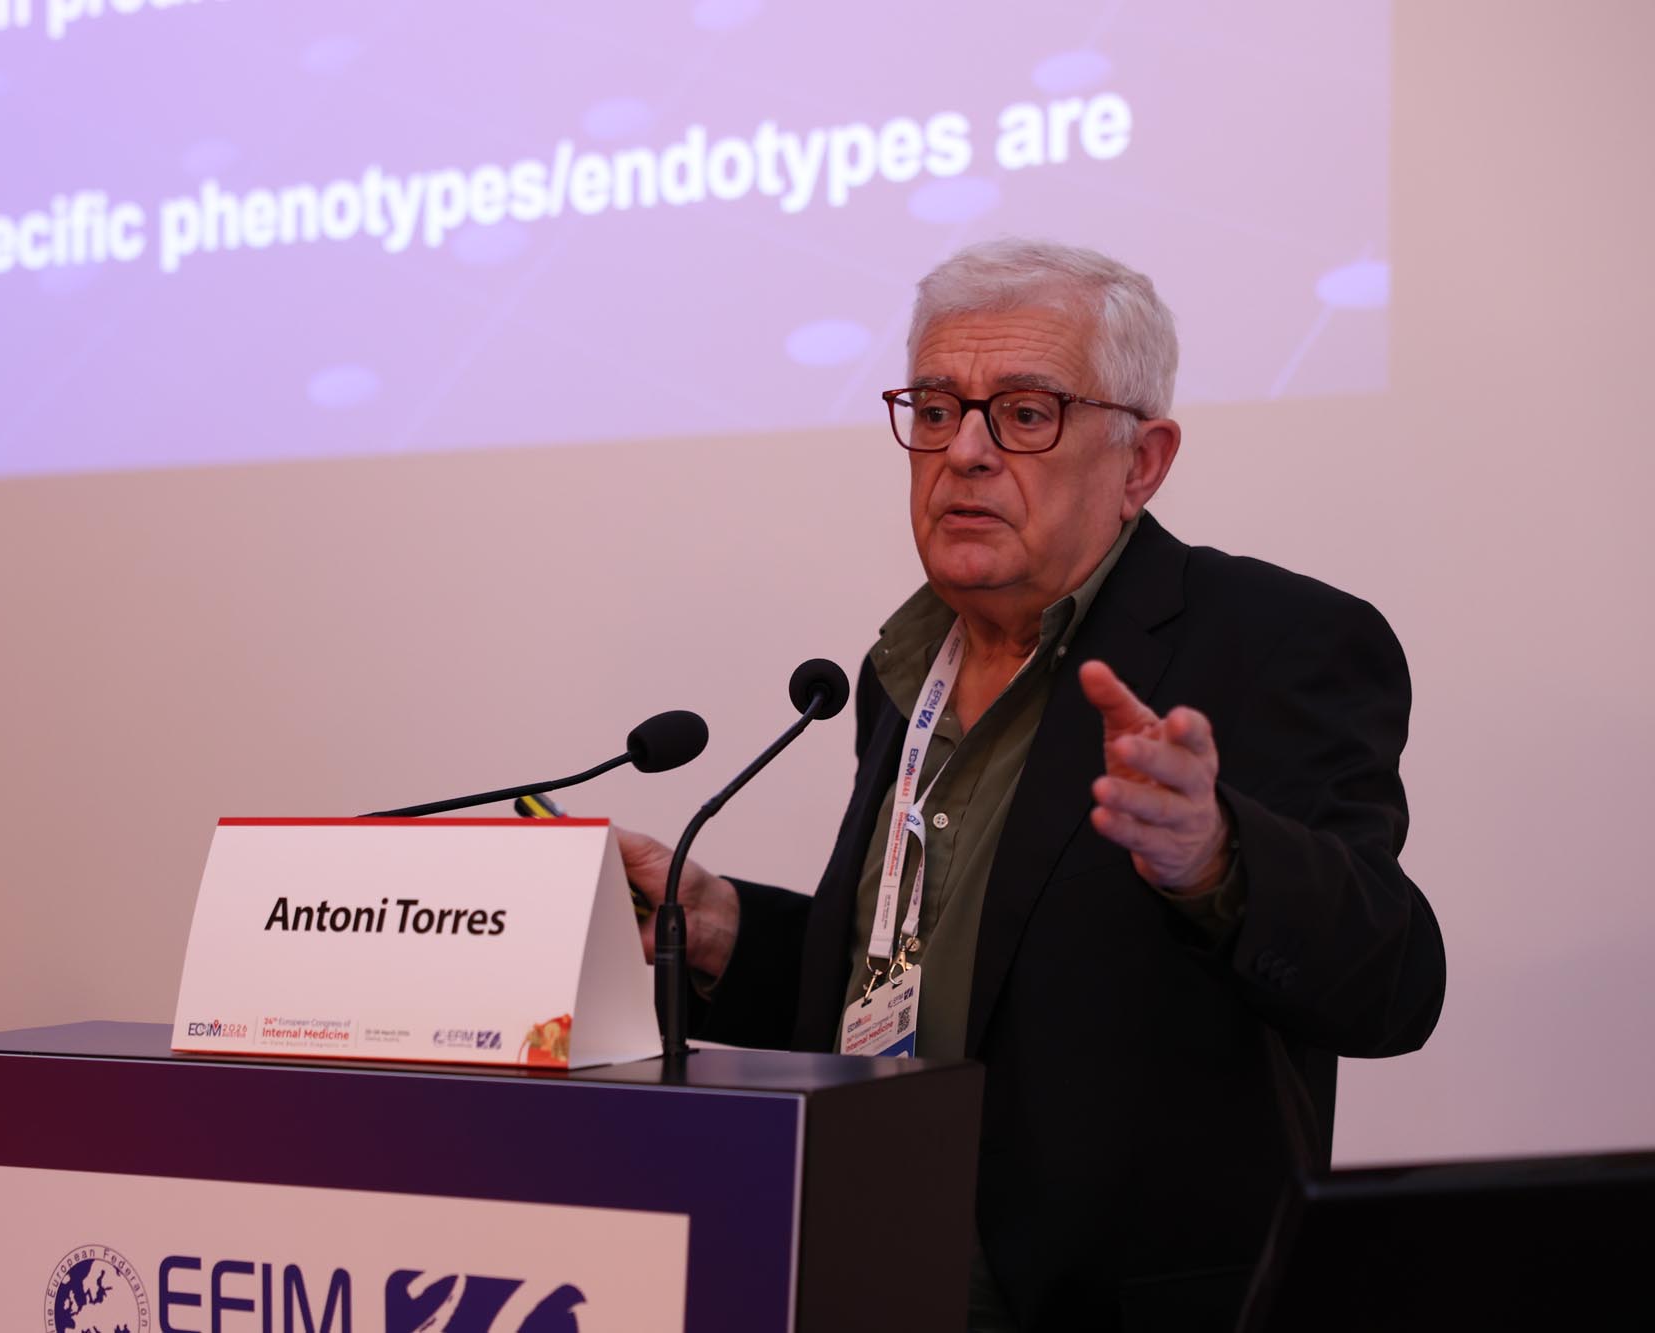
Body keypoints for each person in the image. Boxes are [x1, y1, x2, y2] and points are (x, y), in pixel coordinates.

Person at [619, 238, 1446, 1331]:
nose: (963, 451)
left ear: (1141, 461)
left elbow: (1390, 985)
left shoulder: (1277, 640)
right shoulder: (900, 673)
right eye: (934, 408)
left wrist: (1218, 858)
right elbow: (925, 990)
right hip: (873, 1271)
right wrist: (724, 929)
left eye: (1023, 413)